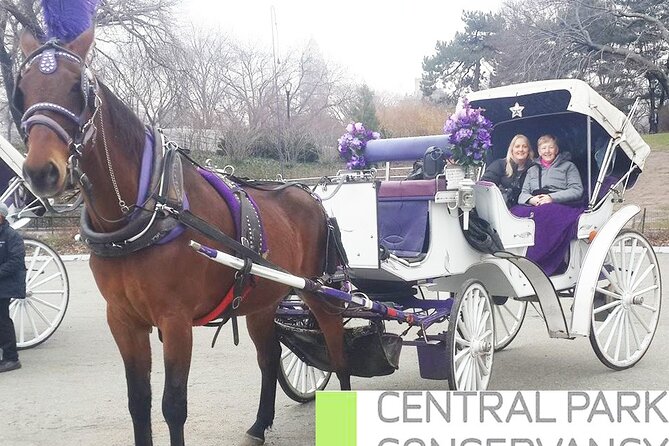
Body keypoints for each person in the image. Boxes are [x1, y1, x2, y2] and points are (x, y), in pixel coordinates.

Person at [518, 134, 583, 206]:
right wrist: (531, 200)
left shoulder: (569, 166)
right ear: (539, 152)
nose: (547, 151)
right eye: (543, 148)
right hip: (535, 205)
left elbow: (576, 190)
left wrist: (551, 198)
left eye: (551, 147)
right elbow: (523, 194)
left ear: (556, 150)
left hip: (560, 204)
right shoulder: (532, 170)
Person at [0, 203, 26, 373]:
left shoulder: (11, 236)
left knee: (2, 320)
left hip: (6, 284)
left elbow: (16, 261)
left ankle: (11, 358)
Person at [481, 134, 535, 206]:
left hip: (525, 207)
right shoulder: (499, 165)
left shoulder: (533, 168)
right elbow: (485, 186)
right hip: (500, 206)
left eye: (524, 147)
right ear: (512, 149)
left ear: (529, 150)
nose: (521, 149)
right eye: (517, 146)